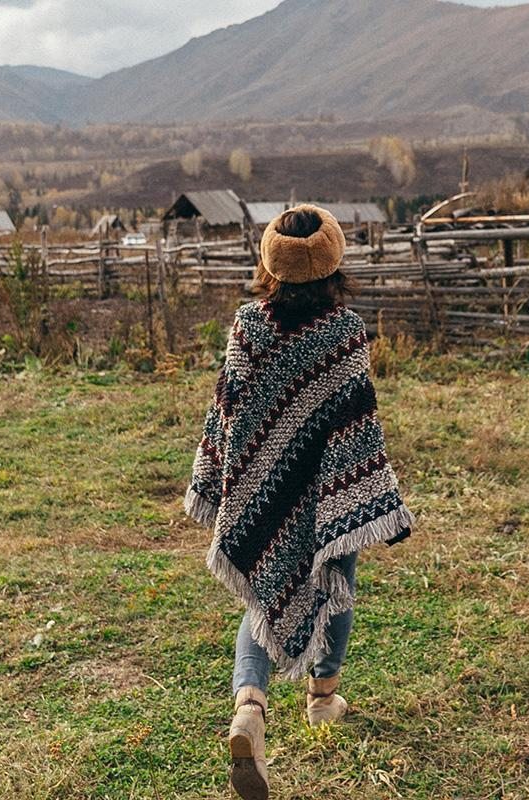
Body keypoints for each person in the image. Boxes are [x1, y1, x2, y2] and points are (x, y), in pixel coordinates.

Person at [184, 204, 414, 800]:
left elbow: (226, 414)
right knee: (334, 577)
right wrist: (368, 493)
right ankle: (322, 697)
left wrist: (216, 480)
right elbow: (358, 425)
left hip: (261, 495)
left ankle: (249, 709)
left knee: (265, 592)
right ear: (334, 261)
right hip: (325, 498)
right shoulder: (344, 333)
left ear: (269, 262)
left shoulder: (248, 327)